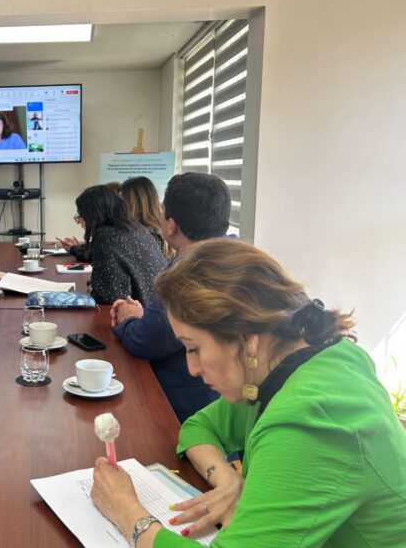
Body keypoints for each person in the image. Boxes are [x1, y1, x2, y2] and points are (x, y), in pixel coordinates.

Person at [92, 239, 406, 547]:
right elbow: (199, 427)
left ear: (247, 339)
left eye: (193, 348)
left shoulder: (311, 417)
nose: (192, 368)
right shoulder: (287, 367)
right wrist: (227, 479)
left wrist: (127, 512)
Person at [111, 172, 230, 421]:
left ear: (171, 225)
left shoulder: (188, 271)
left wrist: (128, 320)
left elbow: (146, 341)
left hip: (188, 410)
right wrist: (145, 316)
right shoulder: (242, 259)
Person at [74, 185, 165, 305]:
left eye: (80, 215)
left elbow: (110, 297)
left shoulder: (106, 235)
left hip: (140, 312)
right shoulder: (136, 227)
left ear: (92, 215)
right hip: (158, 307)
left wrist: (93, 288)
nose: (78, 220)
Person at [119, 176, 166, 253]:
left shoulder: (150, 235)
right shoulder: (160, 228)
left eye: (122, 198)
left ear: (139, 201)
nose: (119, 202)